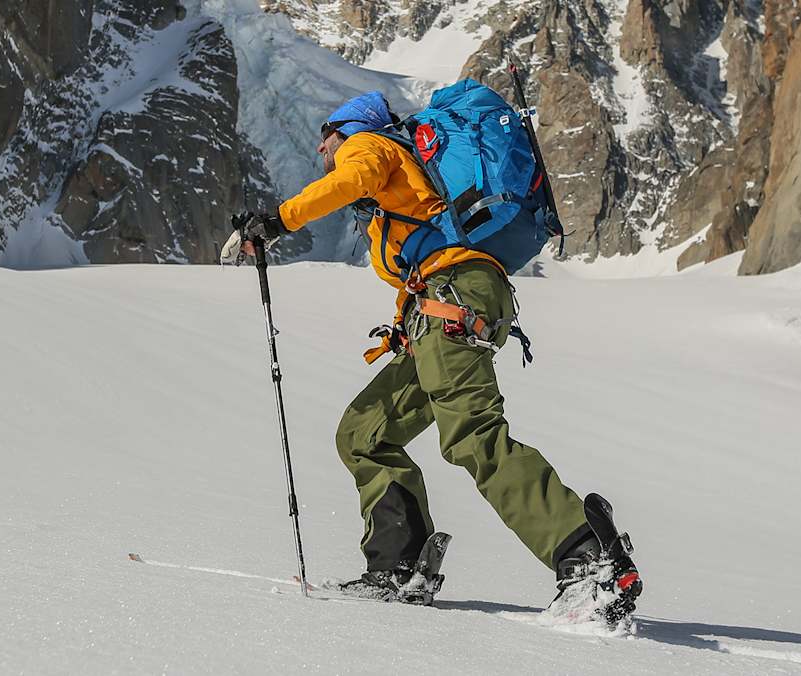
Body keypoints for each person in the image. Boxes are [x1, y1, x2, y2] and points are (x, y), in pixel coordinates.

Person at [222, 91, 641, 623]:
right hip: (443, 304)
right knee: (364, 433)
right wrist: (405, 325)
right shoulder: (401, 178)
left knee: (473, 436)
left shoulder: (368, 146)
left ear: (348, 128)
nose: (321, 147)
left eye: (327, 135)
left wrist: (278, 221)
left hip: (454, 299)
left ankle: (588, 557)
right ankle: (398, 568)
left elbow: (353, 179)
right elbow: (424, 255)